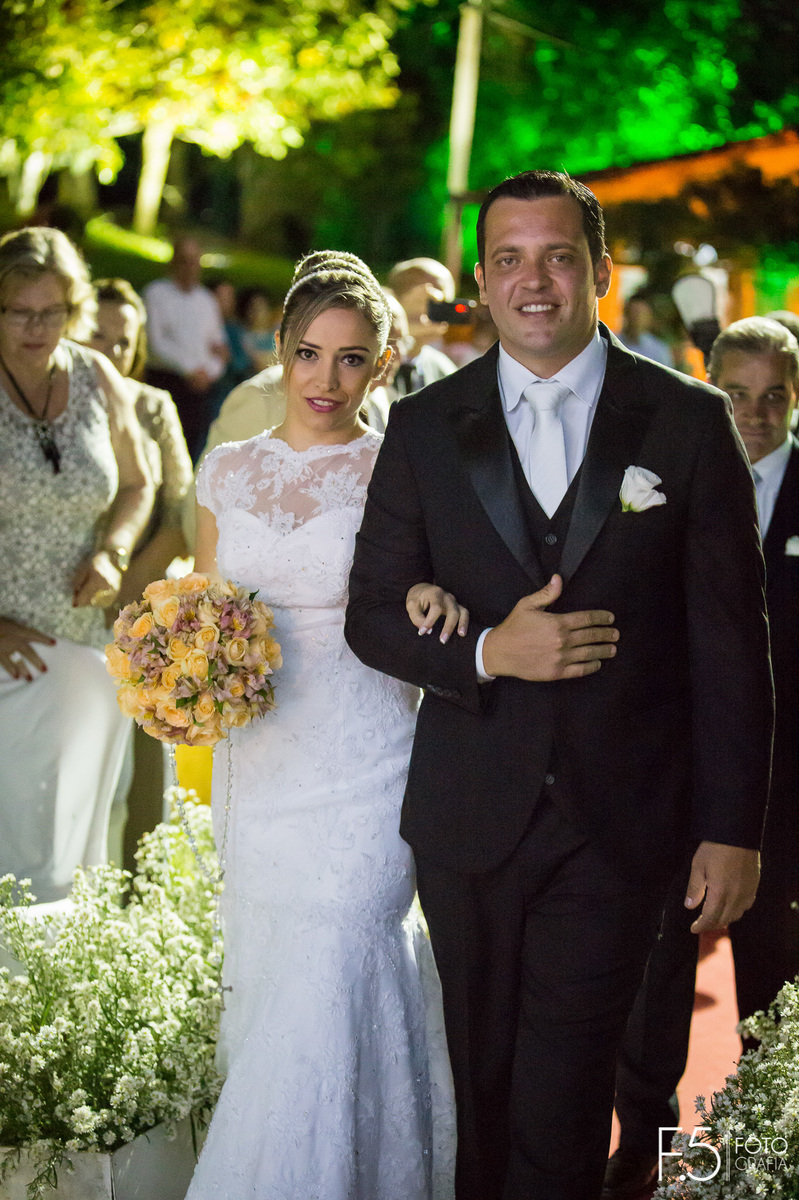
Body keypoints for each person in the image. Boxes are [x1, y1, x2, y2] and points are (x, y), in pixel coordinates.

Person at [345, 170, 773, 1200]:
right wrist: (489, 651)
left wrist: (734, 829)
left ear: (599, 271)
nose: (532, 280)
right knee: (478, 1092)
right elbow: (370, 614)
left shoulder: (685, 420)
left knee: (561, 1099)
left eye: (555, 256)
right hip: (467, 820)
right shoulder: (424, 426)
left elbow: (729, 641)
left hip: (620, 825)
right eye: (507, 259)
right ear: (481, 284)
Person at [186, 251, 457, 1199]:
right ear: (278, 352)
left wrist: (430, 592)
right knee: (272, 976)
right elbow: (206, 612)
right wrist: (172, 674)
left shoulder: (409, 469)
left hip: (369, 755)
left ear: (383, 364)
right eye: (308, 354)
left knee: (343, 945)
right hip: (260, 761)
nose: (326, 380)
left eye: (351, 360)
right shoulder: (225, 470)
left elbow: (437, 590)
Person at [606, 316, 799, 1200]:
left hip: (787, 783)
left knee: (772, 969)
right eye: (737, 394)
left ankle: (763, 1151)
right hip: (669, 769)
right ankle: (645, 1144)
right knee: (656, 963)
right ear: (707, 382)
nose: (754, 416)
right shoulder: (657, 475)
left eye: (774, 398)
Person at [0, 227, 153, 903]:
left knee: (70, 834)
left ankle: (54, 985)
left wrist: (113, 551)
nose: (38, 327)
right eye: (19, 311)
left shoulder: (96, 376)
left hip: (85, 644)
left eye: (52, 311)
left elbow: (138, 482)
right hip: (7, 654)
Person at [88, 277, 194, 868]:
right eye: (97, 336)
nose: (110, 351)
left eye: (123, 341)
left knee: (144, 762)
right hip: (58, 608)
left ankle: (139, 883)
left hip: (134, 604)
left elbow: (182, 513)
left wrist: (128, 592)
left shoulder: (153, 407)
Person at [143, 235, 228, 462]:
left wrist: (208, 373)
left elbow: (219, 347)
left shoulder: (207, 301)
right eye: (184, 260)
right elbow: (156, 343)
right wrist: (190, 369)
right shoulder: (156, 294)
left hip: (199, 390)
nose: (190, 268)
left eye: (194, 261)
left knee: (190, 451)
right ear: (173, 263)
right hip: (166, 381)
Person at [387, 257, 457, 394]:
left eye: (444, 300)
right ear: (394, 299)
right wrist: (400, 325)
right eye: (427, 299)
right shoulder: (371, 360)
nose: (434, 305)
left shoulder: (444, 371)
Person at [618, 292, 674, 367]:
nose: (637, 318)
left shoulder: (659, 351)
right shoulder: (612, 343)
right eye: (633, 312)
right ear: (625, 313)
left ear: (649, 317)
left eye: (641, 313)